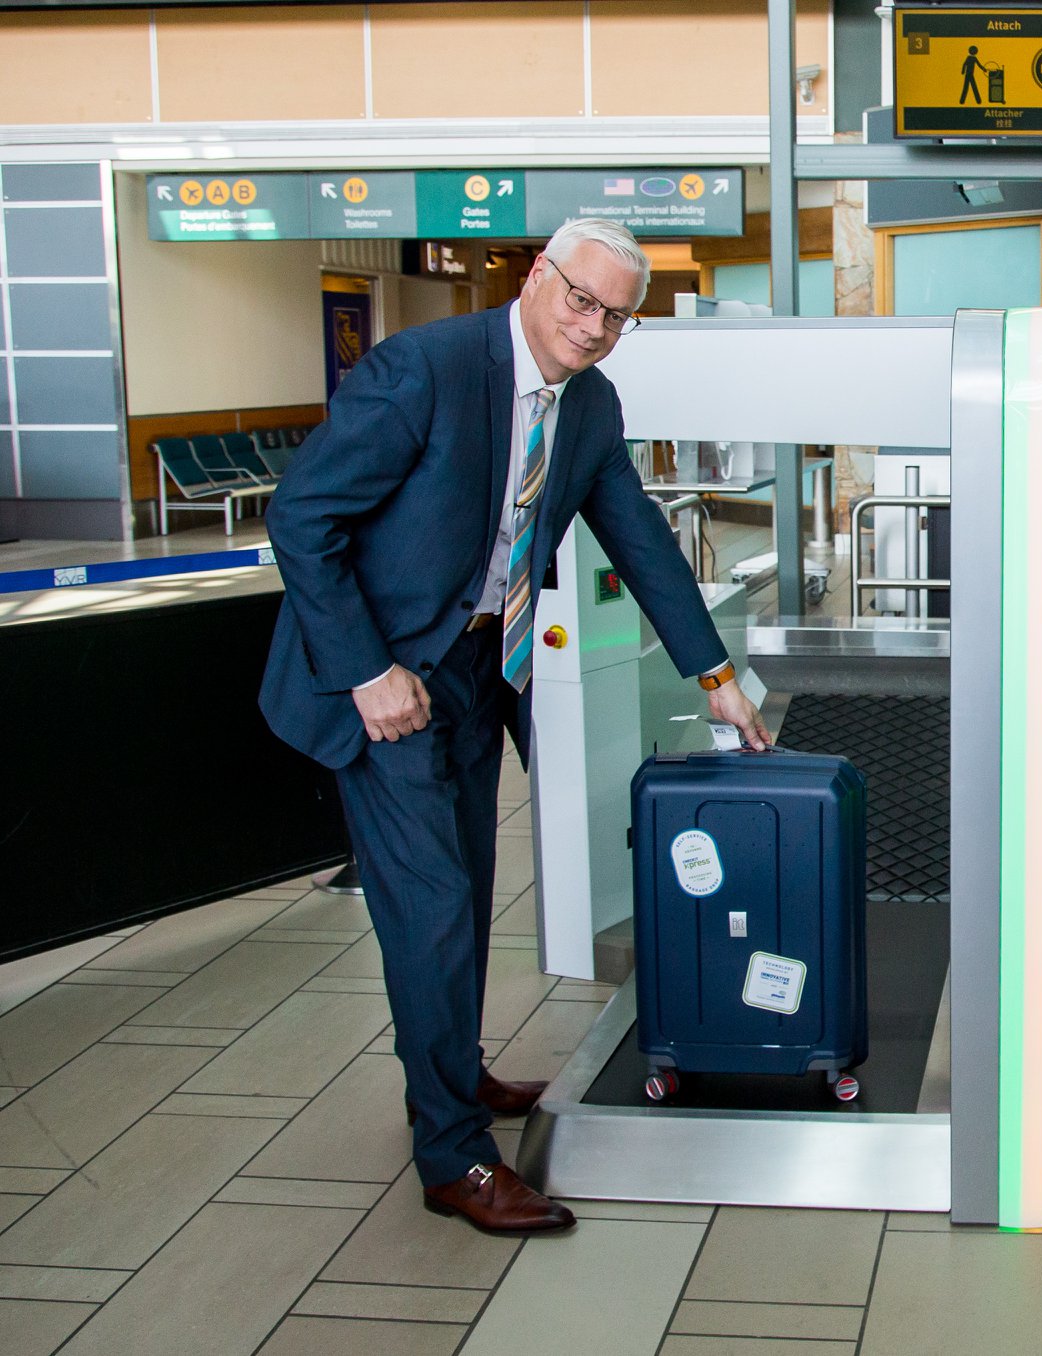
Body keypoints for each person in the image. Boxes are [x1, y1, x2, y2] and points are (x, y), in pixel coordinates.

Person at [261, 218, 768, 1233]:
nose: (592, 327)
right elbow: (300, 517)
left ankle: (451, 1075)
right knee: (435, 903)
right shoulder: (425, 371)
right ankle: (452, 1155)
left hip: (480, 674)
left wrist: (714, 674)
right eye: (580, 298)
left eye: (615, 316)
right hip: (383, 677)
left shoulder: (587, 407)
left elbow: (638, 534)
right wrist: (367, 673)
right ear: (539, 277)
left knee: (469, 889)